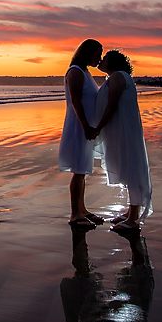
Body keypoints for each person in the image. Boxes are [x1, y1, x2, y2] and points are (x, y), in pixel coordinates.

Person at [93, 50, 152, 231]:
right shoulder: (118, 76)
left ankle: (133, 219)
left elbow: (112, 105)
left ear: (113, 63)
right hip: (123, 129)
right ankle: (130, 211)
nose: (101, 61)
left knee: (131, 168)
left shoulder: (118, 77)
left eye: (105, 59)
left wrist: (98, 127)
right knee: (127, 167)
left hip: (125, 130)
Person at [59, 38, 104, 229]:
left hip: (86, 125)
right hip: (78, 125)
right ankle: (74, 213)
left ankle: (82, 209)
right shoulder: (75, 72)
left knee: (82, 170)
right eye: (97, 54)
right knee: (78, 170)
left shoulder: (86, 72)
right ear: (88, 53)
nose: (99, 58)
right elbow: (76, 102)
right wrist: (85, 126)